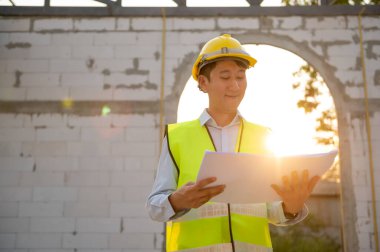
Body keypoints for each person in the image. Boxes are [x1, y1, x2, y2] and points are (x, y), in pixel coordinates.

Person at [146, 34, 320, 252]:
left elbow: (270, 209)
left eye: (240, 77)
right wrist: (177, 200)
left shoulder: (263, 136)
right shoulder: (176, 136)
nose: (235, 85)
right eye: (225, 77)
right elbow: (154, 206)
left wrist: (290, 207)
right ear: (203, 82)